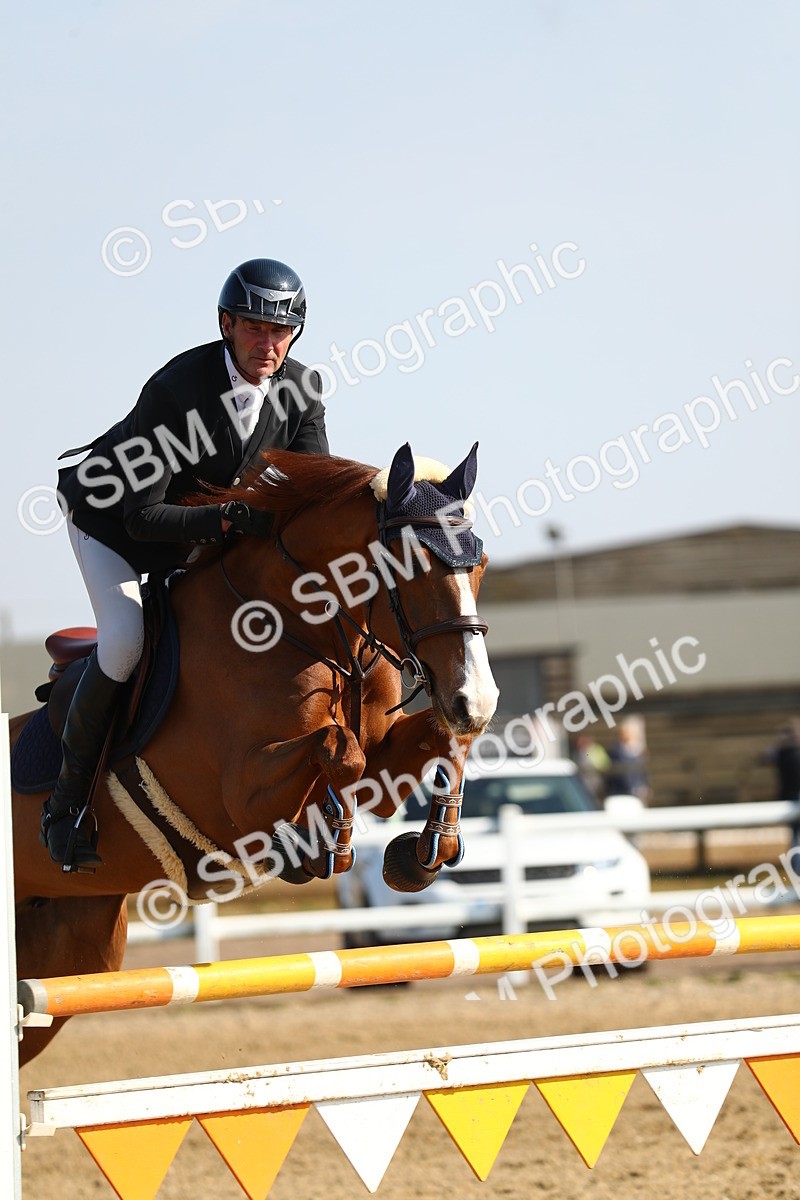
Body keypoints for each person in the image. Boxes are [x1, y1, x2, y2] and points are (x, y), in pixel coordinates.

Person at [45, 258, 329, 870]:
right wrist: (229, 519)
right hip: (110, 520)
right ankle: (66, 808)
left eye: (280, 331)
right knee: (125, 641)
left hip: (197, 532)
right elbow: (142, 517)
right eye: (254, 327)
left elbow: (310, 494)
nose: (267, 343)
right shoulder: (178, 390)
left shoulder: (302, 389)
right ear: (226, 324)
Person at [605, 717, 651, 801]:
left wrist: (645, 786)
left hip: (638, 791)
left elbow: (643, 771)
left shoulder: (639, 750)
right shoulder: (615, 751)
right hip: (621, 794)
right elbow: (618, 773)